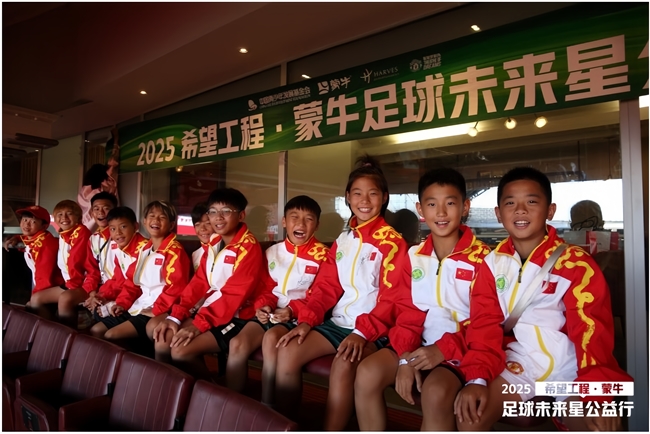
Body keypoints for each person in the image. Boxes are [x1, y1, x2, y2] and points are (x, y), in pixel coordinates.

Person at [452, 167, 632, 431]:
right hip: (521, 363)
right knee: (470, 418)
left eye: (531, 202)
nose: (520, 210)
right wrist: (476, 380)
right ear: (499, 213)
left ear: (550, 210)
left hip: (572, 368)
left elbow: (592, 333)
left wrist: (598, 396)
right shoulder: (491, 264)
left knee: (596, 425)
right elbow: (484, 325)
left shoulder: (575, 264)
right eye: (510, 203)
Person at [274, 155, 411, 430]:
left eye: (373, 194)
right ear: (348, 197)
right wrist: (307, 320)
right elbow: (327, 286)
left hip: (373, 329)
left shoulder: (392, 242)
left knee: (343, 364)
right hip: (339, 323)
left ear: (384, 197)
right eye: (357, 193)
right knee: (288, 350)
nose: (364, 200)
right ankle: (282, 425)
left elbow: (393, 298)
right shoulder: (344, 239)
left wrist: (362, 333)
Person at [354, 168, 490, 431]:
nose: (441, 213)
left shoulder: (484, 259)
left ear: (465, 207)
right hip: (417, 345)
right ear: (420, 209)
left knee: (435, 391)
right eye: (432, 204)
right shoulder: (414, 255)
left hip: (459, 349)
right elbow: (408, 310)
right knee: (367, 372)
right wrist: (405, 356)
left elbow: (485, 322)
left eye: (450, 203)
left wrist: (442, 350)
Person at [151, 188, 263, 378]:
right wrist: (175, 316)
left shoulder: (249, 246)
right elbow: (199, 282)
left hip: (237, 316)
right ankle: (173, 390)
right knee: (163, 339)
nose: (218, 217)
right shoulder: (214, 242)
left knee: (180, 351)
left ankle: (207, 392)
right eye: (213, 211)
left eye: (226, 211)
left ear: (241, 215)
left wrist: (198, 325)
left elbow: (233, 295)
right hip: (211, 311)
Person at [227, 195, 329, 403]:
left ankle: (267, 405)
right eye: (294, 217)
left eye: (308, 219)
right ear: (284, 221)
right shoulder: (273, 252)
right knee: (237, 343)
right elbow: (266, 287)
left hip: (297, 317)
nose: (301, 224)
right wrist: (263, 306)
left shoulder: (324, 256)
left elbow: (319, 295)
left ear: (317, 225)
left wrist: (292, 311)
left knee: (271, 339)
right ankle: (229, 404)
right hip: (270, 313)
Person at [91, 201, 190, 343]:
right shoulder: (145, 249)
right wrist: (122, 303)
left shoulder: (175, 251)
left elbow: (176, 288)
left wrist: (156, 309)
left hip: (158, 309)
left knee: (111, 335)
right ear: (144, 221)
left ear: (171, 225)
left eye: (162, 217)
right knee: (97, 330)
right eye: (152, 216)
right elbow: (132, 282)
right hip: (139, 305)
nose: (155, 220)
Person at [28, 200, 91, 324]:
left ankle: (67, 333)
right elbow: (35, 239)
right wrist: (17, 238)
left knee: (64, 299)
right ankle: (53, 330)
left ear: (78, 217)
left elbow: (76, 261)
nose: (64, 218)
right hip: (69, 283)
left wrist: (71, 287)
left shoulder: (81, 232)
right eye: (60, 214)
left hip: (82, 283)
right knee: (35, 299)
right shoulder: (64, 233)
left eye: (69, 214)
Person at [88, 206, 147, 337]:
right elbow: (117, 280)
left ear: (135, 226)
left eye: (123, 227)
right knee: (97, 311)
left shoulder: (143, 250)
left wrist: (118, 303)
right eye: (113, 229)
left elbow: (134, 286)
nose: (118, 233)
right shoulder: (121, 250)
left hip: (141, 304)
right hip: (129, 300)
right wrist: (101, 296)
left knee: (98, 330)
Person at [3, 206, 64, 298]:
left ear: (44, 226)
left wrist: (34, 296)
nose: (26, 224)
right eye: (24, 219)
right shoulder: (40, 237)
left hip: (56, 287)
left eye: (33, 221)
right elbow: (28, 240)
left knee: (33, 303)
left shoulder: (44, 245)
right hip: (48, 287)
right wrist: (16, 238)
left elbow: (44, 278)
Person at [80, 192, 119, 318]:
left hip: (118, 288)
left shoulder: (121, 238)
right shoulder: (93, 239)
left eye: (106, 208)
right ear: (91, 213)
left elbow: (123, 275)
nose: (101, 212)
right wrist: (92, 294)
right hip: (100, 288)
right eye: (96, 209)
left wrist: (100, 295)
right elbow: (91, 270)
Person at [78, 128, 120, 231]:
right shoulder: (108, 184)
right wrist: (116, 140)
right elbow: (114, 161)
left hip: (85, 224)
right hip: (105, 224)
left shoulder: (84, 190)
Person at [190, 201, 214, 272]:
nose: (202, 229)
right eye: (197, 224)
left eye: (208, 223)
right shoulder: (195, 255)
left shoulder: (227, 252)